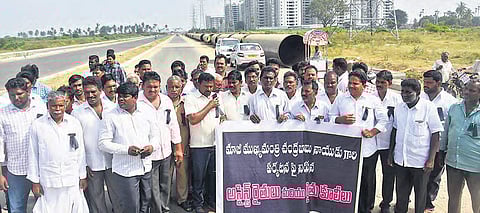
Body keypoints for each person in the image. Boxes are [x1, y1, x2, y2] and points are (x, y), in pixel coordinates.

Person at [329, 70, 388, 213]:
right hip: (346, 150)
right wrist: (339, 120)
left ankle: (365, 209)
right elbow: (329, 117)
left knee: (367, 182)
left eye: (355, 83)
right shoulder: (341, 99)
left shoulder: (372, 100)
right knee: (347, 181)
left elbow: (384, 120)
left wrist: (372, 132)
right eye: (350, 83)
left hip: (367, 149)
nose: (351, 86)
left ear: (364, 85)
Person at [99, 82, 160, 213]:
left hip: (146, 167)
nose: (120, 99)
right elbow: (103, 143)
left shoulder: (147, 111)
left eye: (125, 96)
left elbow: (156, 136)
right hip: (125, 171)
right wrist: (126, 150)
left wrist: (151, 147)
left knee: (146, 202)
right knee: (131, 207)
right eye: (119, 96)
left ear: (135, 97)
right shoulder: (110, 115)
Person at [27, 91, 89, 212]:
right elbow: (33, 154)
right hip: (49, 179)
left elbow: (80, 152)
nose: (57, 109)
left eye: (61, 105)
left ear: (65, 105)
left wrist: (83, 176)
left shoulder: (74, 123)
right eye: (54, 106)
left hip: (71, 177)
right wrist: (35, 181)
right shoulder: (38, 125)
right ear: (48, 106)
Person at [388, 79, 443, 213]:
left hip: (420, 162)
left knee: (421, 195)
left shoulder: (428, 108)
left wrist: (431, 159)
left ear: (417, 93)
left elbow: (436, 134)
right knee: (401, 194)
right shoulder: (399, 108)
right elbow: (395, 131)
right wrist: (391, 154)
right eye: (402, 91)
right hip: (401, 159)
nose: (404, 95)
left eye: (408, 92)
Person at [137, 72, 183, 213]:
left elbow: (173, 125)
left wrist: (178, 148)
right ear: (142, 86)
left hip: (166, 152)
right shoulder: (137, 102)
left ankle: (165, 208)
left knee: (165, 185)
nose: (152, 90)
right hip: (148, 154)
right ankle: (158, 210)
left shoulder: (166, 100)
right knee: (152, 188)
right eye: (149, 87)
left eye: (156, 87)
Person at [0, 78, 47, 213]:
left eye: (20, 94)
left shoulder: (40, 108)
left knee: (46, 205)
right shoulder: (3, 114)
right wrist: (1, 174)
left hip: (41, 167)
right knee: (16, 208)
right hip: (16, 170)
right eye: (12, 95)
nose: (16, 98)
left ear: (28, 91)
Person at [71, 77, 116, 213]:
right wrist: (83, 166)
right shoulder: (77, 113)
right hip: (92, 164)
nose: (90, 95)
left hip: (114, 162)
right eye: (86, 92)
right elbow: (76, 144)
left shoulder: (113, 108)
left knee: (117, 197)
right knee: (97, 200)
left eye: (93, 92)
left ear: (100, 90)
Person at [184, 72, 224, 213]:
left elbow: (221, 116)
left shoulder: (217, 97)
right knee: (198, 178)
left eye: (211, 86)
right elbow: (193, 119)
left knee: (212, 177)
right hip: (199, 145)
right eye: (206, 86)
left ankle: (210, 202)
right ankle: (198, 205)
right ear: (198, 84)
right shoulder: (190, 98)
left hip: (215, 144)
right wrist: (209, 105)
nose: (209, 89)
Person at [420, 70, 457, 212]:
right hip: (419, 145)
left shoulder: (450, 102)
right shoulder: (419, 98)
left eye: (429, 83)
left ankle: (428, 204)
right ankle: (418, 199)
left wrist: (445, 148)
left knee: (434, 176)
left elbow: (452, 126)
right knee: (419, 175)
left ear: (438, 83)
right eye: (424, 82)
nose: (426, 85)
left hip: (439, 147)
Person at [440, 79, 480, 213]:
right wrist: (441, 151)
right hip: (453, 163)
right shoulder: (454, 107)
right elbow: (446, 131)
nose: (466, 92)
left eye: (472, 90)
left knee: (477, 200)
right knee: (454, 199)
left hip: (476, 166)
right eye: (466, 89)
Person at [374, 70, 402, 213]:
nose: (379, 85)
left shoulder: (397, 100)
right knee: (369, 175)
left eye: (382, 82)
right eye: (377, 82)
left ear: (389, 84)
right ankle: (367, 203)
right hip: (371, 143)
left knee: (389, 175)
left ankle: (386, 203)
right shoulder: (370, 97)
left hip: (388, 144)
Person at [166, 76, 193, 212]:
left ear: (181, 88)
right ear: (166, 88)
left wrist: (187, 144)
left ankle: (182, 199)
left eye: (177, 87)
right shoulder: (162, 103)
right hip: (165, 145)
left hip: (182, 144)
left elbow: (190, 126)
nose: (174, 90)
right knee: (166, 174)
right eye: (171, 87)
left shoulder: (186, 103)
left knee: (182, 173)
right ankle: (164, 200)